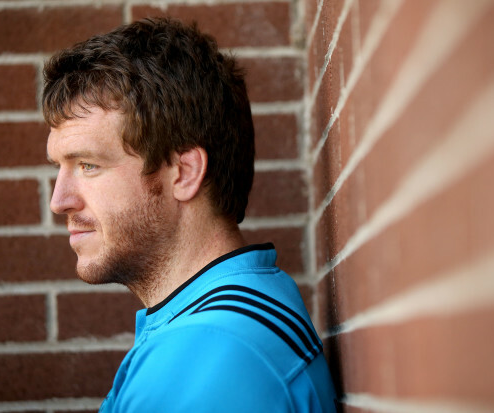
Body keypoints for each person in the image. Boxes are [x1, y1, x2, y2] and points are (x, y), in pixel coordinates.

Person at [44, 17, 337, 412]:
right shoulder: (227, 316)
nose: (59, 200)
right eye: (59, 167)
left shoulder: (208, 356)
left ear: (183, 173)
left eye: (88, 165)